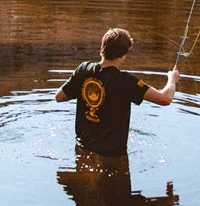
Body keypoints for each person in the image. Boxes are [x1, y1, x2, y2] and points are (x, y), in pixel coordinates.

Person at [55, 27, 180, 157]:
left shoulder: (83, 69)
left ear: (102, 49)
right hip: (111, 154)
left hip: (83, 147)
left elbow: (59, 97)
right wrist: (172, 79)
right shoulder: (126, 81)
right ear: (123, 55)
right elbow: (165, 98)